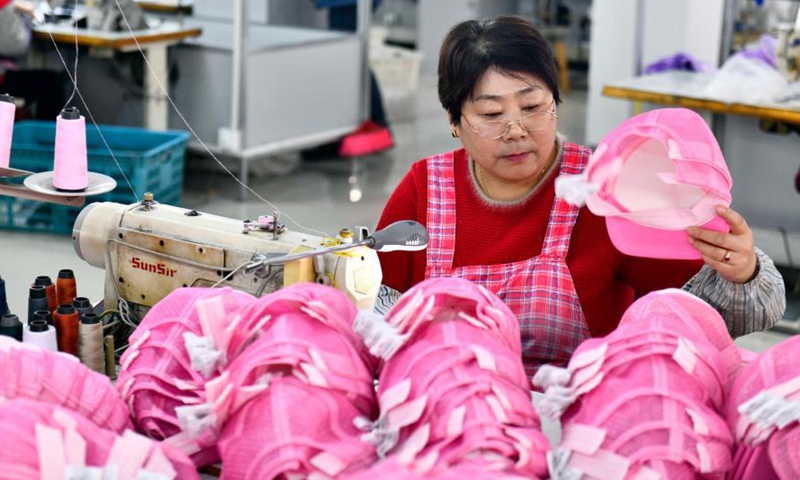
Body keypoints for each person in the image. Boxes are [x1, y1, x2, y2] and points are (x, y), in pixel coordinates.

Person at [375, 15, 786, 376]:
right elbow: (373, 310)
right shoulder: (425, 190)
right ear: (454, 120)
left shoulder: (607, 189)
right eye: (491, 115)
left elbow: (707, 317)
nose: (516, 130)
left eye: (533, 107)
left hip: (576, 411)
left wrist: (742, 271)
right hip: (450, 411)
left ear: (556, 102)